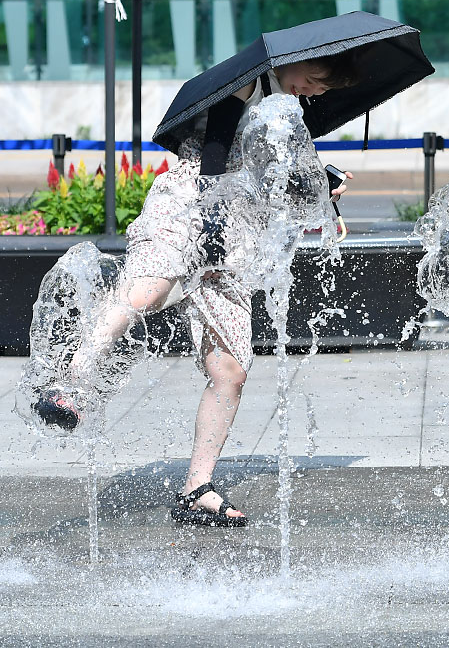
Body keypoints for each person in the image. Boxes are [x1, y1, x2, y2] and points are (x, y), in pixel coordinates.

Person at [30, 53, 358, 527]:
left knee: (231, 370)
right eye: (313, 82)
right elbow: (217, 156)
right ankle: (68, 383)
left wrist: (322, 190)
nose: (314, 93)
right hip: (189, 208)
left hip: (237, 232)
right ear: (294, 63)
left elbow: (268, 176)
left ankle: (197, 489)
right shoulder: (244, 86)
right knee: (146, 289)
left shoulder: (288, 107)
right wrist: (209, 224)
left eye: (323, 91)